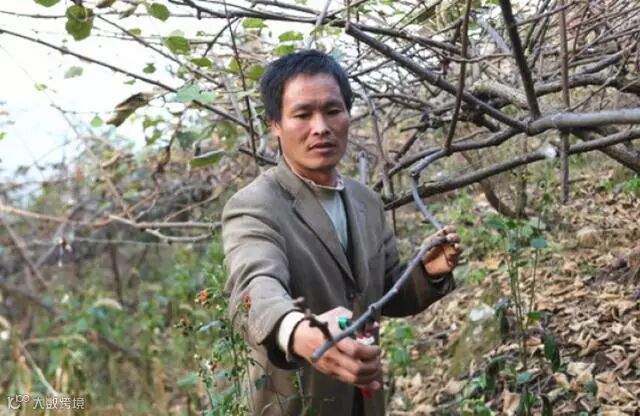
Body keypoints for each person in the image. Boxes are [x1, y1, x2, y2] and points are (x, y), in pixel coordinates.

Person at [222, 50, 462, 416]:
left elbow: (382, 292)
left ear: (348, 115)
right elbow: (254, 287)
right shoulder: (256, 205)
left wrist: (426, 272)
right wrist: (300, 332)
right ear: (275, 124)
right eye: (302, 114)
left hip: (364, 401)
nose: (321, 127)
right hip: (298, 405)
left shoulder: (365, 201)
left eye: (332, 111)